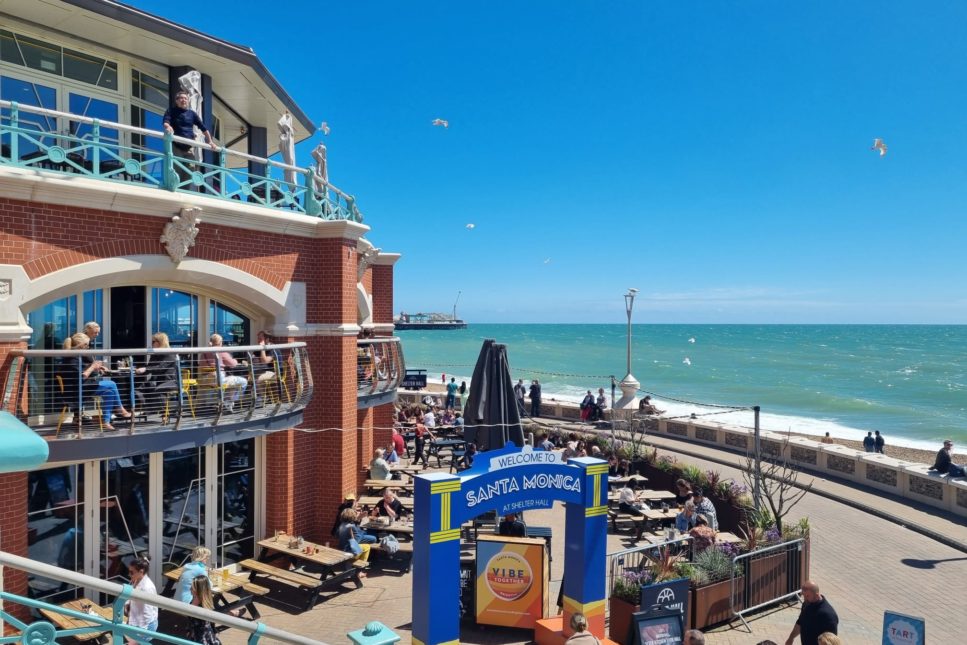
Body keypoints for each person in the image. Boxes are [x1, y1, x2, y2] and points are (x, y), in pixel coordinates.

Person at [60, 332, 132, 431]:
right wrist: (93, 366)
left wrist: (95, 368)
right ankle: (120, 408)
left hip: (81, 387)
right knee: (111, 384)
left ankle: (106, 422)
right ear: (82, 345)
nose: (88, 347)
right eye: (87, 345)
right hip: (76, 391)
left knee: (110, 392)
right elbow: (81, 378)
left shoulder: (75, 356)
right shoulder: (72, 358)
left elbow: (82, 372)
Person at [163, 90, 217, 186]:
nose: (183, 100)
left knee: (190, 170)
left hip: (189, 147)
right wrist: (168, 126)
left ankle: (184, 192)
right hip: (176, 145)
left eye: (185, 98)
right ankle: (175, 189)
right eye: (181, 98)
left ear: (188, 101)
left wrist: (210, 141)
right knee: (177, 170)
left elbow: (203, 128)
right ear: (177, 100)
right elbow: (166, 121)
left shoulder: (192, 113)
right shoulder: (171, 111)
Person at [201, 333, 247, 412]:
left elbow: (201, 365)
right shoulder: (221, 351)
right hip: (219, 379)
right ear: (220, 342)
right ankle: (230, 401)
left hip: (206, 379)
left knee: (231, 383)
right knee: (243, 382)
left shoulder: (204, 353)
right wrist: (238, 361)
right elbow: (233, 364)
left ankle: (225, 401)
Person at [136, 332, 178, 415]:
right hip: (156, 380)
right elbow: (150, 366)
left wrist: (145, 369)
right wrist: (139, 368)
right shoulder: (155, 354)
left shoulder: (170, 353)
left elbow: (161, 367)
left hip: (170, 381)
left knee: (157, 389)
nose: (151, 344)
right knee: (139, 388)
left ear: (159, 342)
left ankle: (164, 412)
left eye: (153, 342)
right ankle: (149, 408)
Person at [785, 580, 838, 645]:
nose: (804, 599)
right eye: (803, 596)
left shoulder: (828, 615)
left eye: (807, 596)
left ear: (817, 595)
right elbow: (800, 622)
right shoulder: (807, 604)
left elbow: (832, 641)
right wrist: (791, 638)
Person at [125, 556, 158, 644]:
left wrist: (138, 637)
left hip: (145, 627)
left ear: (141, 571)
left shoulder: (147, 588)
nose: (129, 574)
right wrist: (127, 604)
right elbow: (131, 594)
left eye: (131, 572)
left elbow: (147, 615)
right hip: (136, 622)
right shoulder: (137, 580)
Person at [186, 576, 220, 645]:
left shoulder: (204, 606)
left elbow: (211, 623)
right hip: (194, 635)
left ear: (199, 589)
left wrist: (214, 631)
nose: (190, 589)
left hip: (203, 638)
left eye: (192, 588)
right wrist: (188, 630)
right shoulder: (193, 599)